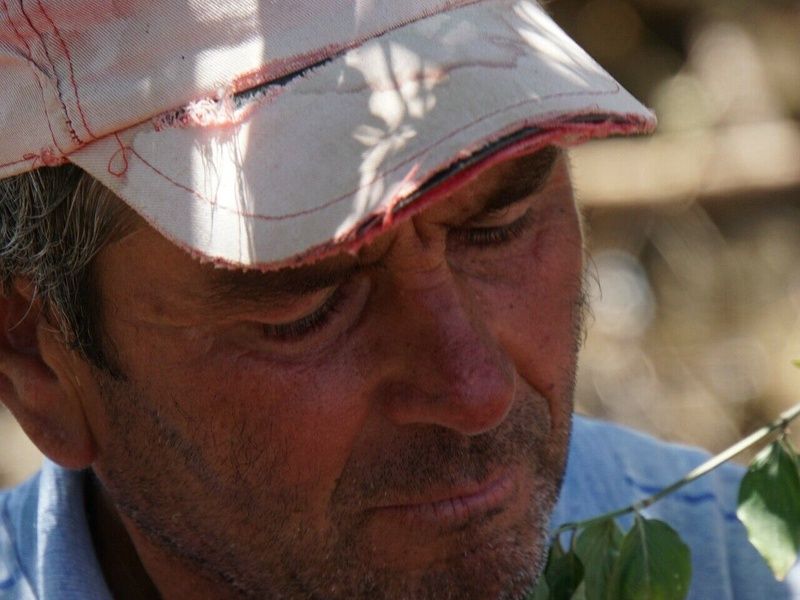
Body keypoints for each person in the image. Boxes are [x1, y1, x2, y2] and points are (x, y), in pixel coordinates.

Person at [0, 1, 793, 598]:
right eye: (306, 311)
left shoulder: (749, 570)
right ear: (36, 358)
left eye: (500, 227)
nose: (474, 392)